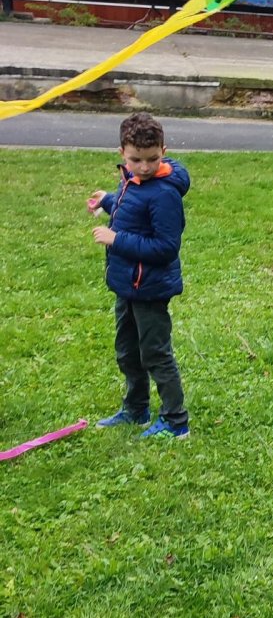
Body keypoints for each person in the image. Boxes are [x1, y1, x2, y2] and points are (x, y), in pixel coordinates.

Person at [88, 111, 191, 439]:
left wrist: (116, 240)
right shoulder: (131, 179)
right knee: (128, 350)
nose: (144, 167)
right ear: (122, 153)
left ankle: (176, 421)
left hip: (150, 288)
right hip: (127, 285)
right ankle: (136, 409)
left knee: (155, 353)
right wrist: (107, 200)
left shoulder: (164, 193)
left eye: (152, 159)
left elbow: (165, 247)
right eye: (136, 160)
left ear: (164, 151)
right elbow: (132, 208)